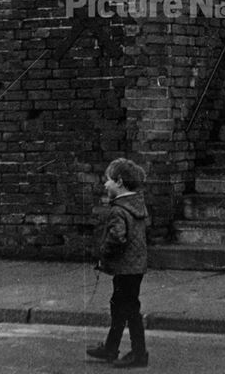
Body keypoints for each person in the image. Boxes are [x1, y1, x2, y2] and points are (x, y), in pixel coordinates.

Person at [86, 158, 149, 368]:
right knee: (120, 306)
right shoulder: (137, 205)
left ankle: (139, 353)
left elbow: (117, 238)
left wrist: (103, 253)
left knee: (129, 309)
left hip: (125, 267)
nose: (105, 184)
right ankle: (111, 347)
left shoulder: (118, 210)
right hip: (136, 266)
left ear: (120, 182)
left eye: (109, 180)